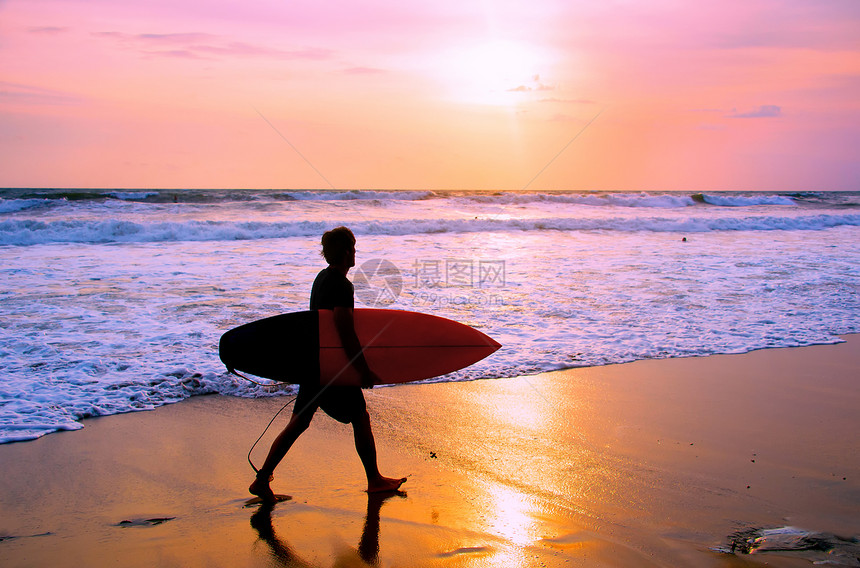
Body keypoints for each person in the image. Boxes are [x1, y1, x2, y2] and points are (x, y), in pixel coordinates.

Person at [249, 227, 406, 501]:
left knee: (298, 424)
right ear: (346, 251)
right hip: (332, 369)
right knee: (360, 417)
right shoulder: (342, 285)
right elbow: (344, 330)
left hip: (314, 364)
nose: (355, 252)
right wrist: (362, 369)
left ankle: (262, 480)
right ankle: (375, 480)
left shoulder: (321, 278)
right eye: (354, 248)